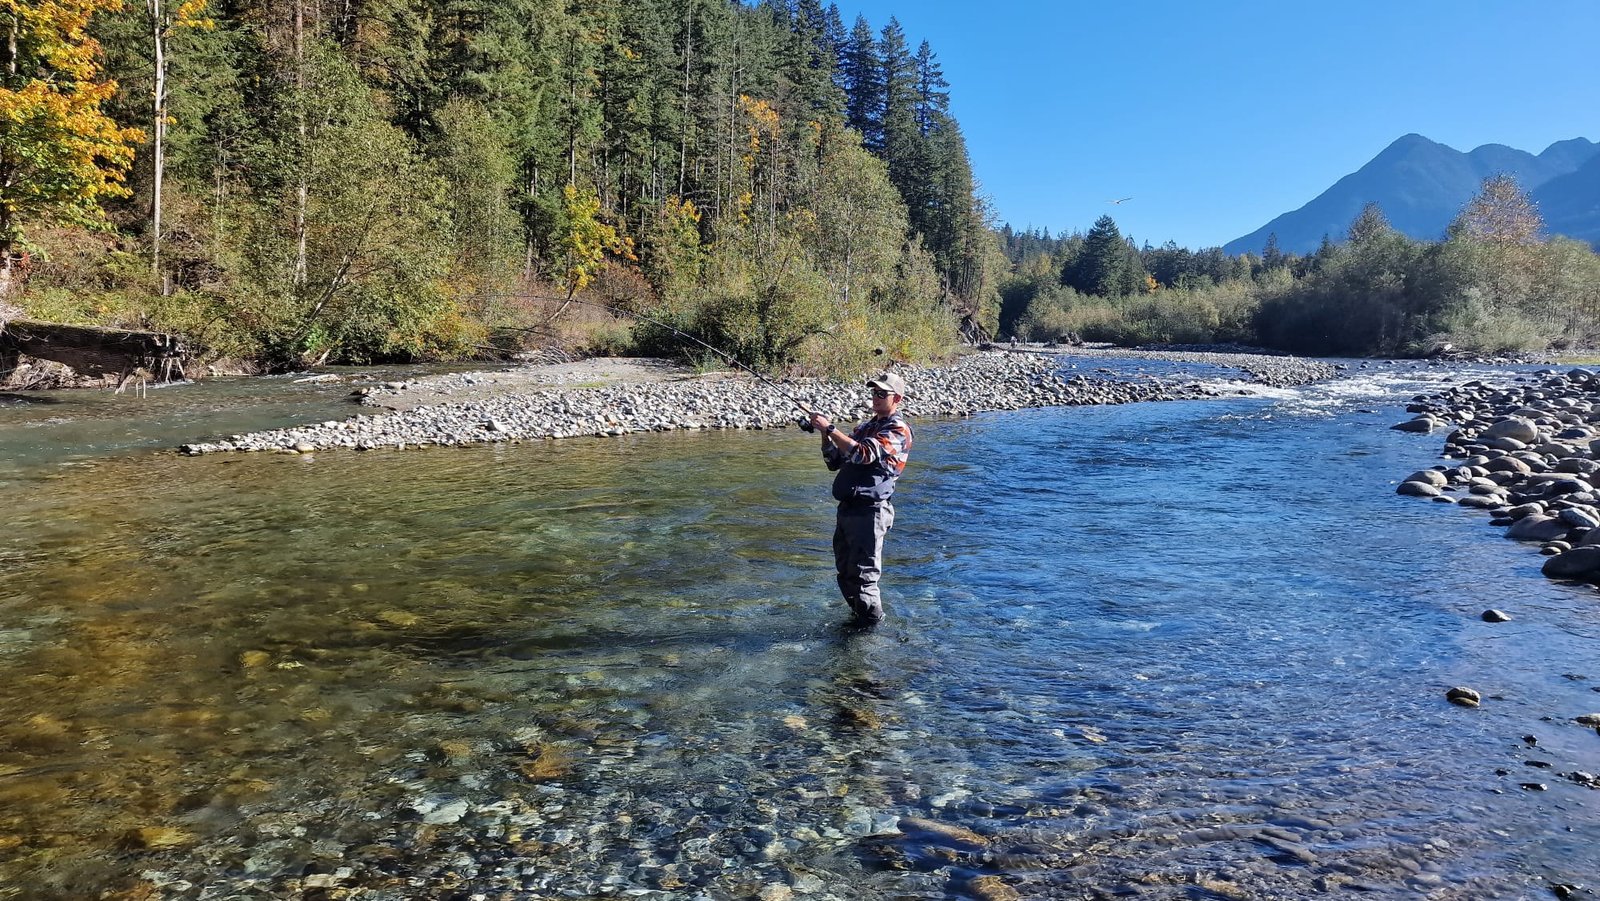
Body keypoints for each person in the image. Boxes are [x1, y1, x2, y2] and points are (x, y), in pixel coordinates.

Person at [807, 372, 913, 625]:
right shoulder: (866, 427)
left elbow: (864, 454)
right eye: (873, 393)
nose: (875, 398)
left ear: (896, 398)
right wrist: (824, 433)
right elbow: (835, 461)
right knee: (845, 573)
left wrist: (830, 428)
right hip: (847, 510)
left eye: (881, 394)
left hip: (871, 512)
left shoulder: (898, 429)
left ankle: (871, 636)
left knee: (865, 579)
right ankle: (859, 623)